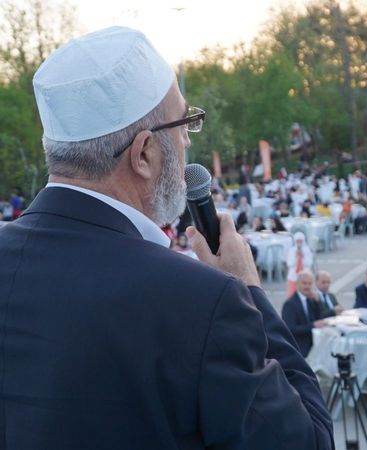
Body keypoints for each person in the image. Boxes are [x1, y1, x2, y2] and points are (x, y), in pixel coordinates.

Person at [0, 27, 333, 449]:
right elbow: (311, 441)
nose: (187, 141)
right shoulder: (204, 302)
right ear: (143, 154)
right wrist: (249, 290)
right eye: (185, 123)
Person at [281, 270, 327, 357]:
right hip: (299, 345)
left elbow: (320, 318)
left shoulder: (310, 299)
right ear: (297, 284)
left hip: (313, 341)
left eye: (310, 284)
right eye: (304, 283)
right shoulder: (290, 304)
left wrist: (317, 302)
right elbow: (290, 329)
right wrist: (313, 325)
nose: (307, 286)